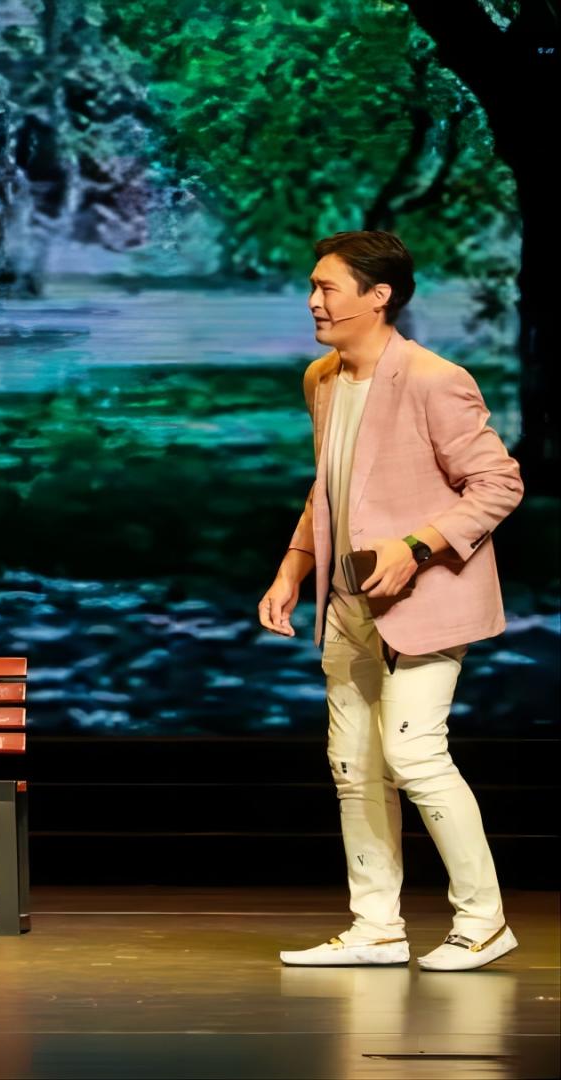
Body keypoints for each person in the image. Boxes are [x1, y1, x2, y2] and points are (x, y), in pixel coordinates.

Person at [260, 231, 523, 972]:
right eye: (312, 286)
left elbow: (498, 484)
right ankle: (376, 927)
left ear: (378, 296)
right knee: (354, 766)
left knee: (413, 753)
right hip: (348, 602)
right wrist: (291, 569)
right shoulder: (321, 378)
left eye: (327, 287)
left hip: (425, 600)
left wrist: (416, 548)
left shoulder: (435, 379)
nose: (313, 301)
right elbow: (328, 487)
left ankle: (483, 923)